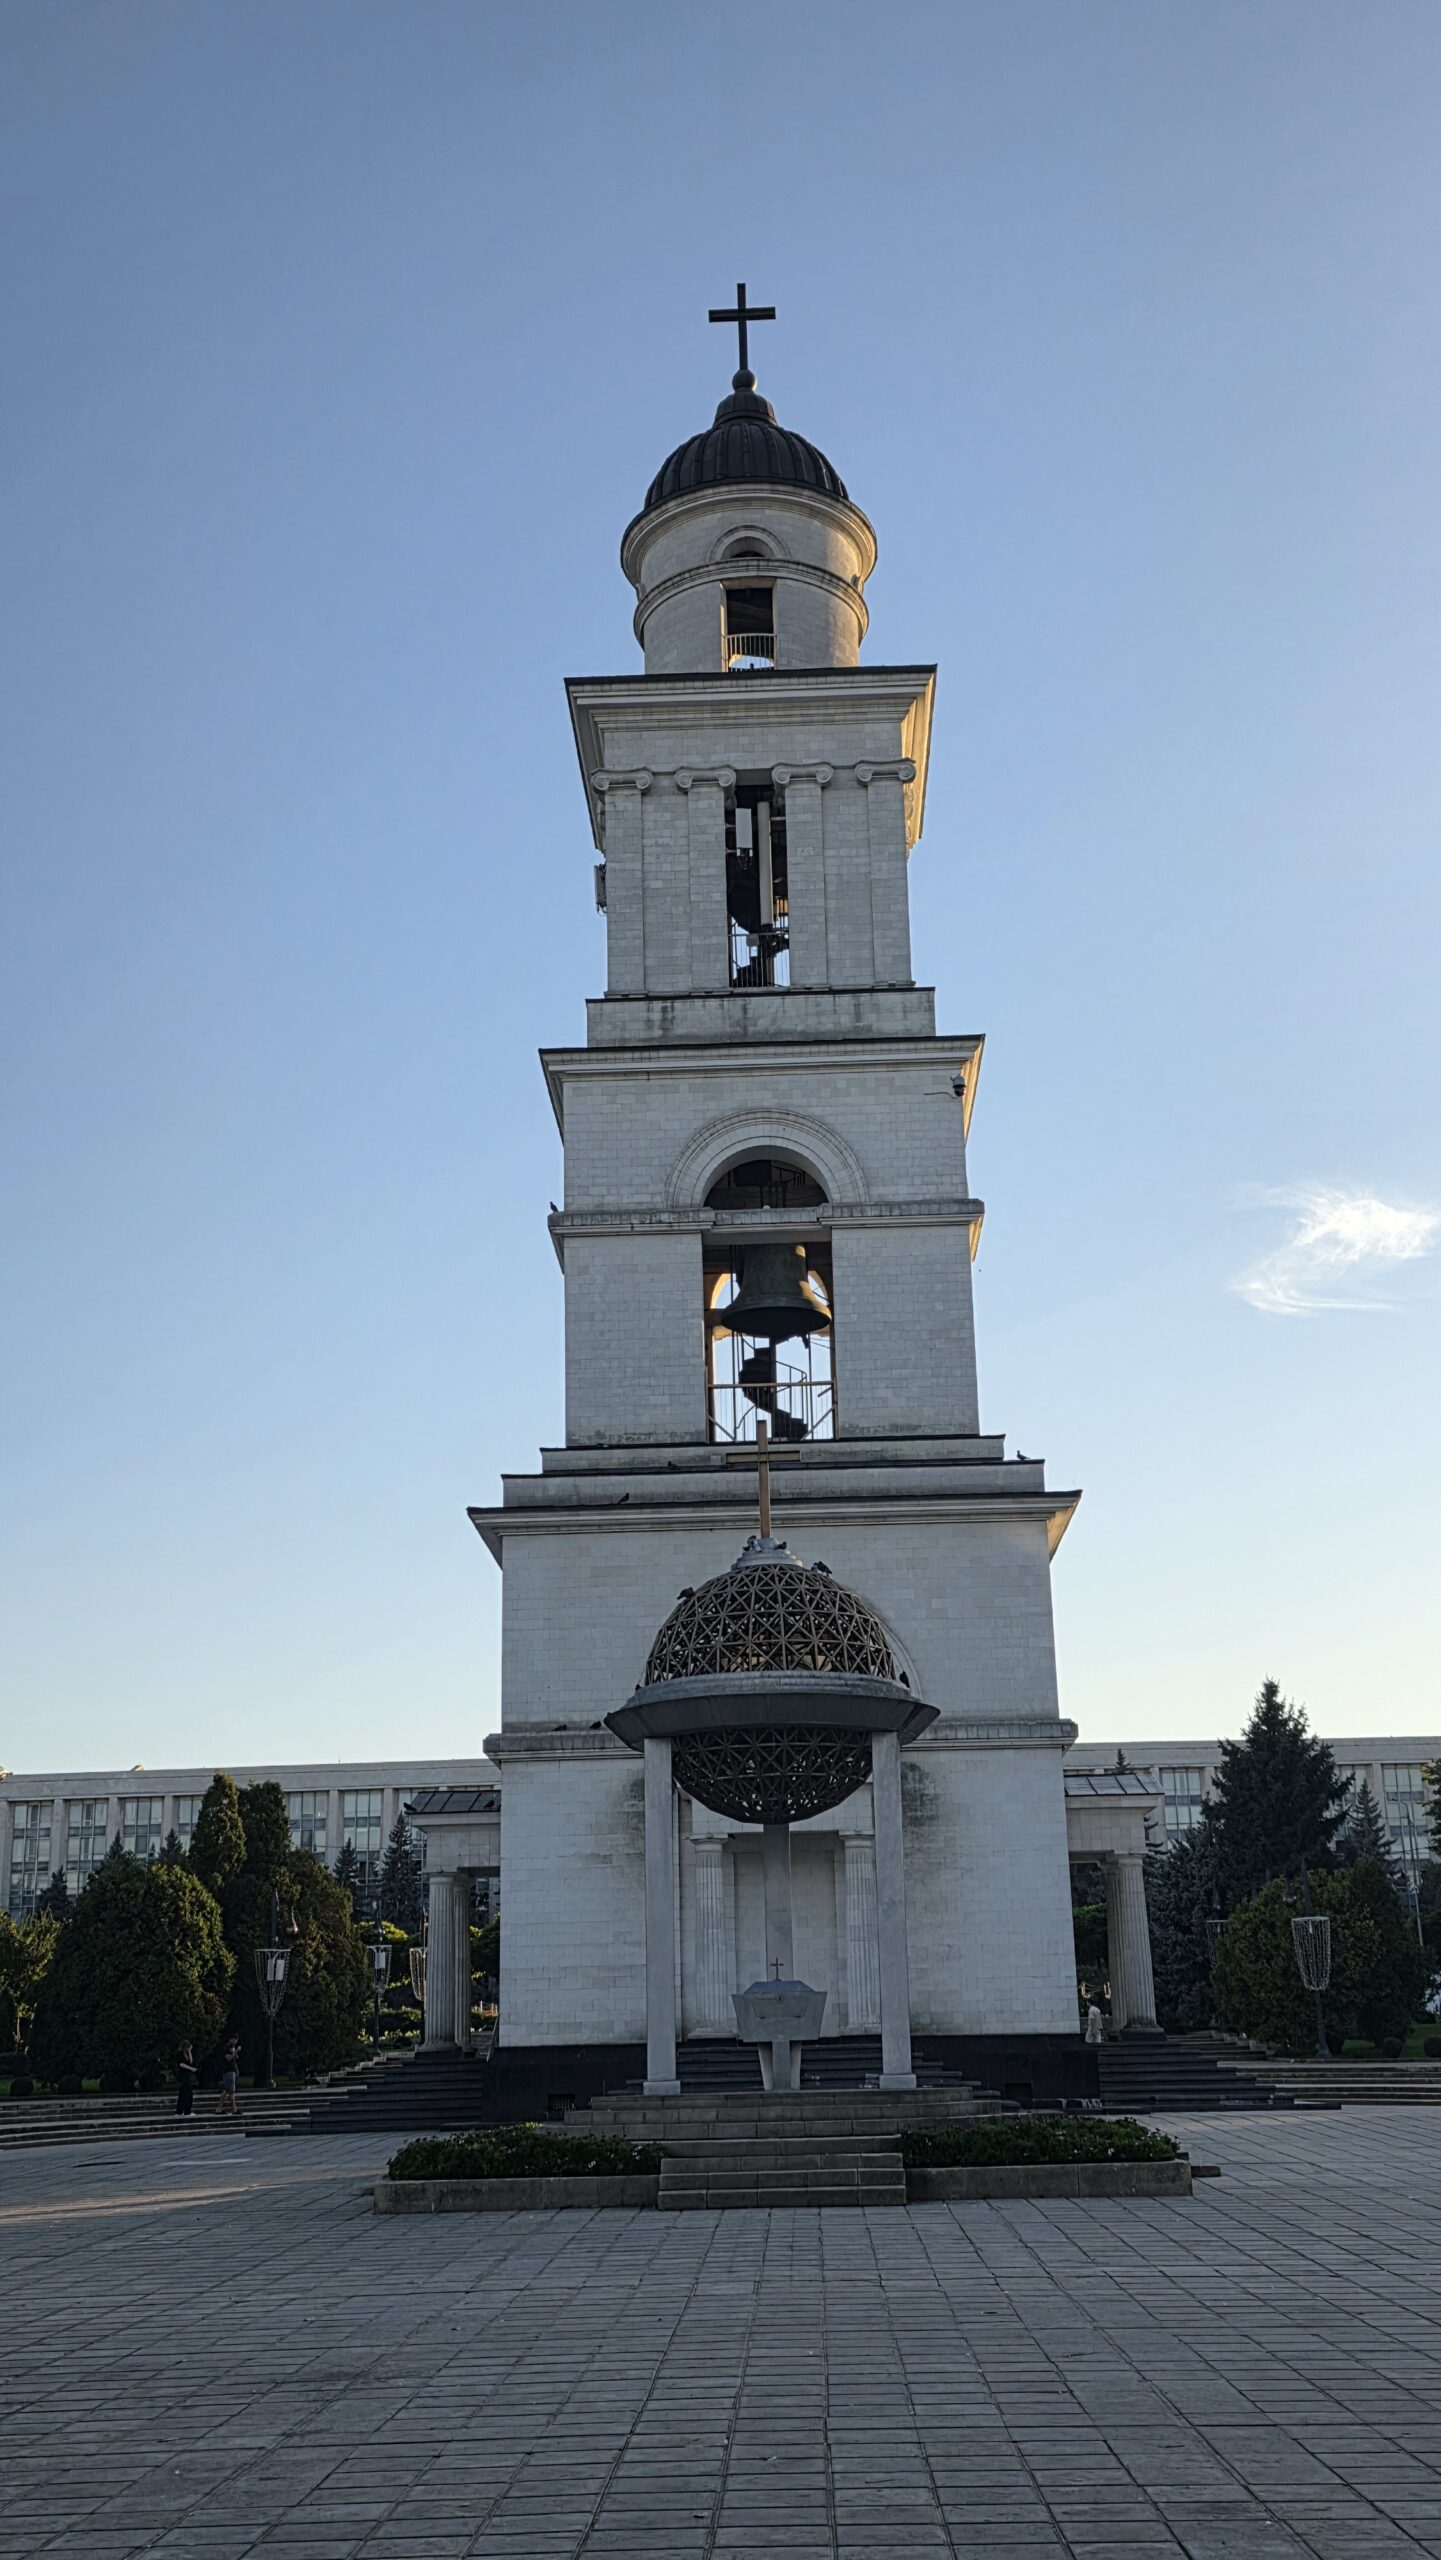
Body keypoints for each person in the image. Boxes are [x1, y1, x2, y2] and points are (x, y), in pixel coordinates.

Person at [218, 2035, 241, 2117]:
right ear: (231, 2039)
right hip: (228, 2071)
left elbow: (234, 2060)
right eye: (234, 2040)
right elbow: (228, 2058)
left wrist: (236, 2070)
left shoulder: (232, 2048)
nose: (236, 2042)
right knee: (230, 2091)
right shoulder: (227, 2048)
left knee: (226, 2090)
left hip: (232, 2070)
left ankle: (219, 2108)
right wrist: (236, 2051)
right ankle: (234, 2109)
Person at [175, 2041, 199, 2117]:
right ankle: (185, 2111)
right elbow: (181, 2064)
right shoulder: (180, 2054)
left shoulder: (186, 2054)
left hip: (187, 2075)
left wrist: (189, 2052)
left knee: (185, 2093)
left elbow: (191, 2062)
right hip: (183, 2074)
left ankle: (182, 2111)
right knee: (186, 2093)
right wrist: (191, 2069)